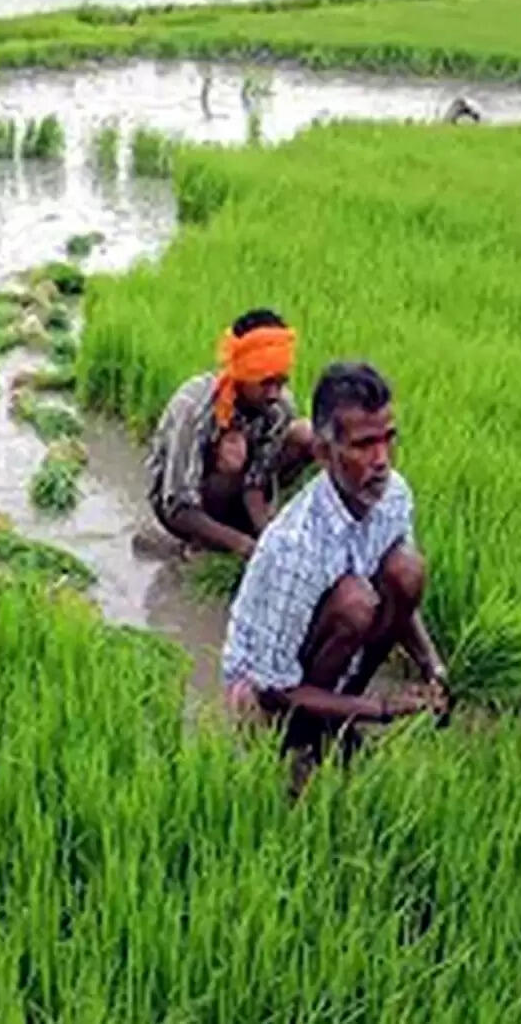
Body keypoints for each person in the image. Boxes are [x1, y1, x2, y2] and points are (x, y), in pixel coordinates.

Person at [220, 361, 449, 765]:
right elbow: (273, 687)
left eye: (388, 439)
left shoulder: (394, 495)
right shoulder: (294, 545)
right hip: (262, 692)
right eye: (363, 445)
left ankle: (335, 717)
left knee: (407, 570)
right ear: (324, 453)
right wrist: (381, 709)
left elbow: (402, 600)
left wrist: (432, 665)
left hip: (328, 653)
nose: (382, 459)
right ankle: (304, 736)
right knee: (355, 600)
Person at [145, 309, 315, 559]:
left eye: (281, 382)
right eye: (266, 383)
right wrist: (242, 545)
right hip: (186, 504)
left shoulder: (278, 407)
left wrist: (267, 534)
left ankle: (236, 533)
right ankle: (205, 540)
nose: (274, 394)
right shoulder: (194, 406)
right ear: (242, 375)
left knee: (306, 434)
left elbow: (255, 482)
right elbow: (177, 505)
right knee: (232, 457)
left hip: (237, 494)